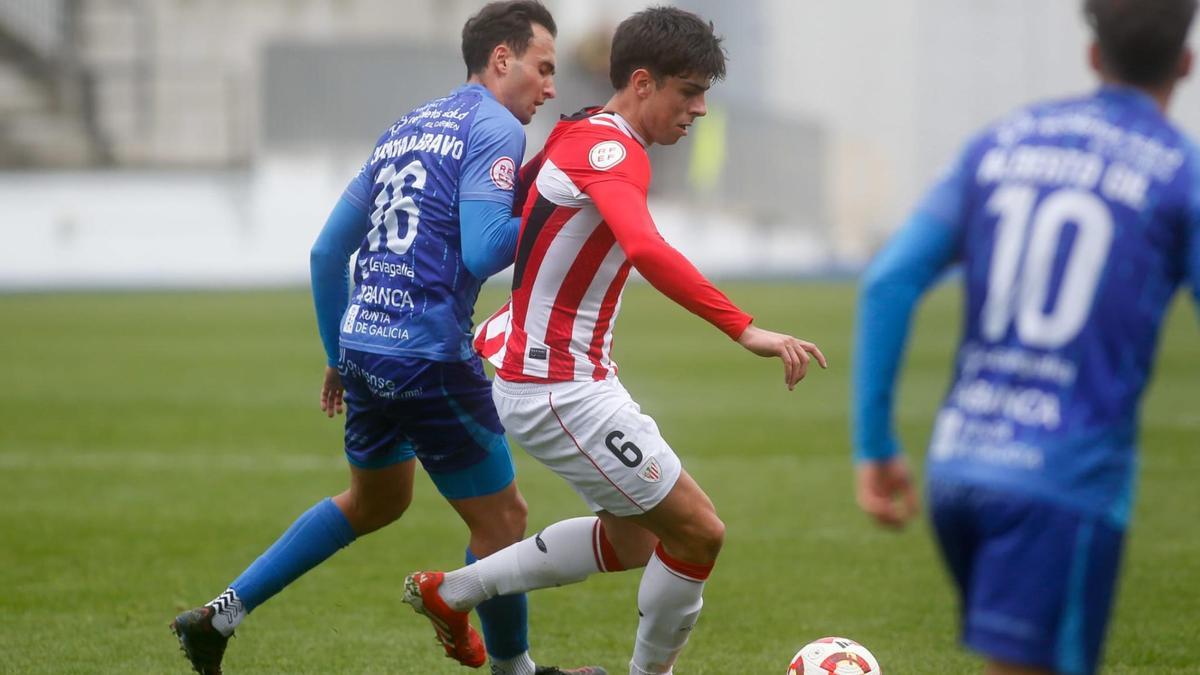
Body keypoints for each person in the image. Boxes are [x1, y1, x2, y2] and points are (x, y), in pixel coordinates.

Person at [170, 3, 601, 674]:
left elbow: (324, 254)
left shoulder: (405, 128)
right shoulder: (494, 127)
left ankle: (220, 615)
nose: (550, 87)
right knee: (503, 520)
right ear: (500, 60)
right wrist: (563, 212)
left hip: (368, 347)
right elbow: (488, 249)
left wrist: (339, 356)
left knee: (377, 500)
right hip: (427, 353)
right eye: (544, 69)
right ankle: (517, 672)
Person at [401, 7, 828, 675]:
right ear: (642, 82)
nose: (700, 109)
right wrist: (745, 328)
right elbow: (647, 249)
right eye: (688, 91)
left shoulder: (578, 130)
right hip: (560, 388)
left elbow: (517, 202)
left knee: (630, 540)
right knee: (699, 531)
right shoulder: (613, 151)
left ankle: (452, 591)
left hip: (555, 374)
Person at [851, 0, 1199, 673]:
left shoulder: (1002, 140)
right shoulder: (1179, 171)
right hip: (1060, 484)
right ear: (1185, 65)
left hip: (959, 467)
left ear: (1094, 57)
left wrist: (876, 443)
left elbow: (888, 281)